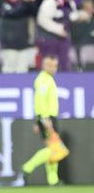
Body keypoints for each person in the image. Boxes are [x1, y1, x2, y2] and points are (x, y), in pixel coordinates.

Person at [22, 55, 61, 185]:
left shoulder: (48, 79)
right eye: (51, 65)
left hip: (48, 117)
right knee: (53, 148)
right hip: (47, 117)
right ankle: (28, 167)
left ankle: (53, 179)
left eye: (55, 65)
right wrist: (44, 119)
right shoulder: (43, 80)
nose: (54, 68)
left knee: (53, 148)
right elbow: (40, 102)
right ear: (45, 66)